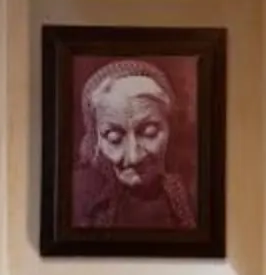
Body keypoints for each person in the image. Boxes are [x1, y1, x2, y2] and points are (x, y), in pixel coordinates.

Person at [71, 59, 196, 230]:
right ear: (95, 139)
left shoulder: (192, 198)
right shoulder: (76, 198)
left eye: (149, 133)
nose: (134, 157)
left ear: (170, 128)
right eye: (114, 138)